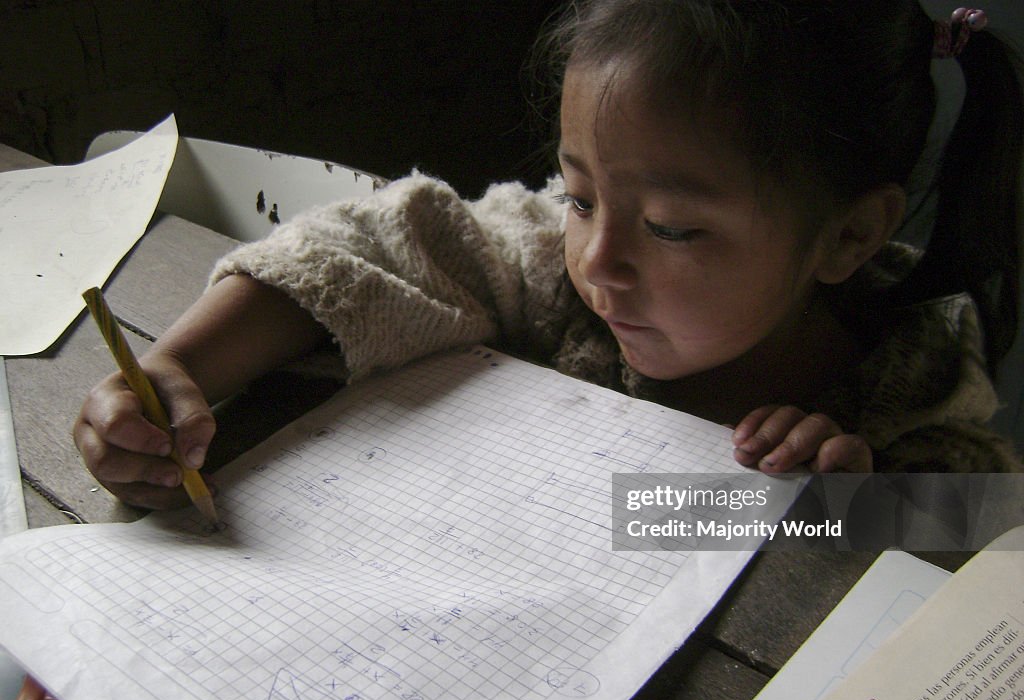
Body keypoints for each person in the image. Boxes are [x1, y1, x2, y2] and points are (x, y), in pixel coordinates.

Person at [75, 0, 1023, 515]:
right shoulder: (553, 272)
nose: (597, 260)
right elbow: (369, 253)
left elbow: (968, 573)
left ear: (849, 236)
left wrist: (836, 516)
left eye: (674, 229)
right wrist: (176, 371)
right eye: (579, 196)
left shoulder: (917, 422)